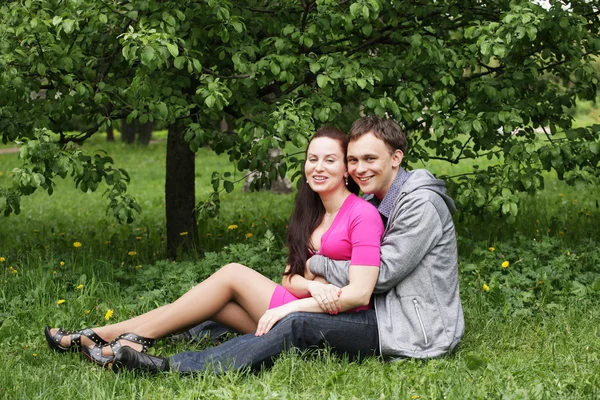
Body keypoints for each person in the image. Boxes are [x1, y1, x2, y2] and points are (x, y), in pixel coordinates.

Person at [105, 115, 464, 374]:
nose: (359, 168)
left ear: (396, 158)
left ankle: (171, 366)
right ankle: (117, 336)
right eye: (354, 160)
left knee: (293, 325)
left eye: (369, 159)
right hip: (378, 311)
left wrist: (317, 267)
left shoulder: (420, 204)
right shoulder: (375, 201)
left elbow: (379, 276)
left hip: (411, 329)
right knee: (235, 302)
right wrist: (311, 283)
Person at [44, 126, 384, 370]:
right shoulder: (311, 212)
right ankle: (106, 336)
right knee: (211, 304)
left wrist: (295, 303)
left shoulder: (362, 214)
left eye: (330, 160)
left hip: (335, 321)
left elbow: (359, 295)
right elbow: (288, 278)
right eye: (312, 159)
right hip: (304, 302)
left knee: (232, 274)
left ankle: (121, 338)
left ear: (346, 170)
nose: (318, 167)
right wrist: (311, 283)